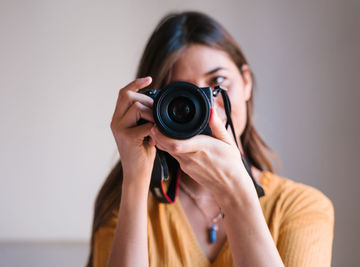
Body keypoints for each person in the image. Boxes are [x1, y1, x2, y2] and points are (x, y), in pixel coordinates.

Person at [86, 11, 334, 267]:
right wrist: (136, 178)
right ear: (153, 103)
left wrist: (235, 192)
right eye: (184, 96)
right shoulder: (123, 205)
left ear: (246, 81)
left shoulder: (300, 207)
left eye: (217, 83)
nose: (206, 108)